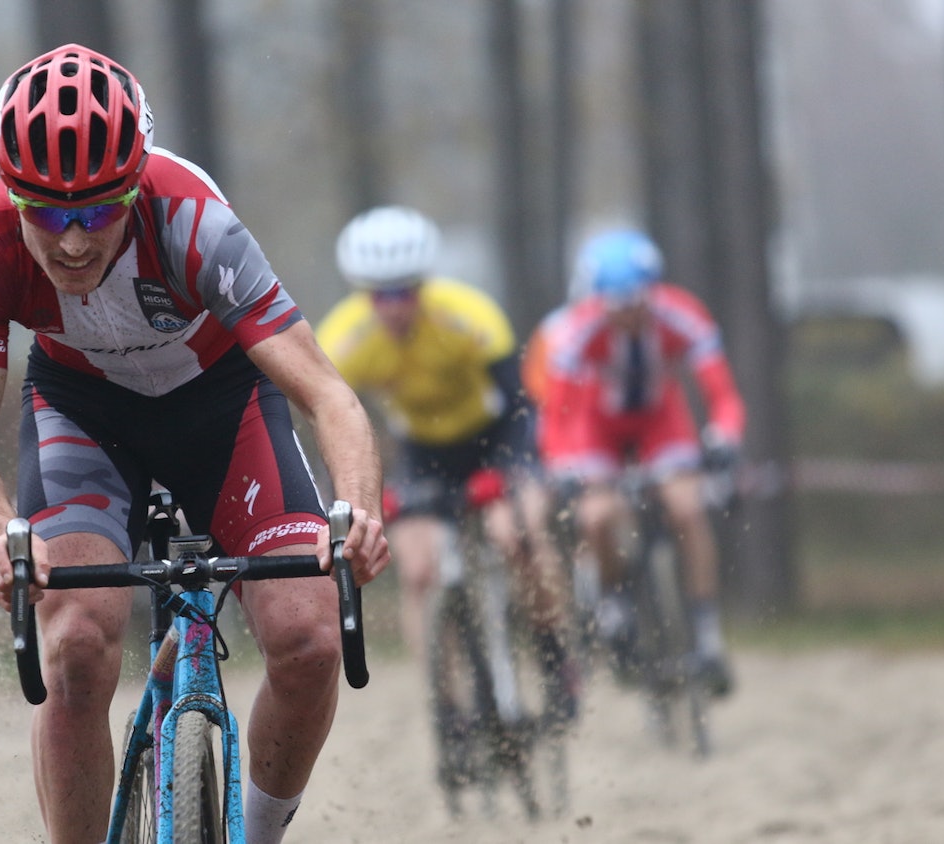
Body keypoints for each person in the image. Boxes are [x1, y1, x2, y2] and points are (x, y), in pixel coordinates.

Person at [0, 44, 389, 844]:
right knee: (75, 647)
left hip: (221, 402)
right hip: (83, 413)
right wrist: (3, 537)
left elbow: (328, 395)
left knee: (310, 640)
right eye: (48, 214)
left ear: (136, 184)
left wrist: (358, 512)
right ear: (11, 196)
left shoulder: (193, 222)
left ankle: (258, 833)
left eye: (98, 211)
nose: (74, 242)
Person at [315, 205, 579, 730]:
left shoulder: (469, 316)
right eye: (380, 295)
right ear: (363, 293)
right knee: (417, 569)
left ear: (423, 284)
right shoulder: (344, 338)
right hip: (423, 453)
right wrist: (345, 496)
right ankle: (448, 707)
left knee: (515, 537)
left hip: (496, 439)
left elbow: (522, 406)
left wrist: (509, 471)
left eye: (405, 291)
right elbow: (328, 424)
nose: (394, 305)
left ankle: (555, 657)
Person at [522, 227, 744, 696]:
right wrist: (562, 467)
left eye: (637, 305)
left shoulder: (683, 315)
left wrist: (725, 437)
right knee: (597, 515)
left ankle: (707, 636)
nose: (627, 317)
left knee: (688, 508)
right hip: (597, 427)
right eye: (615, 308)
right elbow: (558, 414)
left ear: (653, 292)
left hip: (661, 422)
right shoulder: (578, 329)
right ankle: (614, 599)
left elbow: (722, 393)